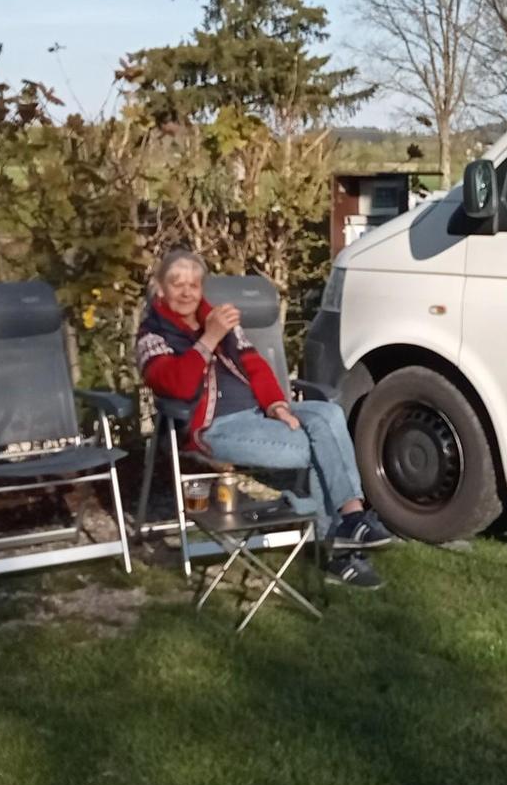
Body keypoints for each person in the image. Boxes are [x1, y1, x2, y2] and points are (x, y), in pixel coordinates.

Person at [137, 249, 394, 588]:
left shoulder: (219, 320)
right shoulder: (152, 337)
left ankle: (351, 518)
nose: (186, 292)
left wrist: (277, 405)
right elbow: (178, 387)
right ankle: (341, 550)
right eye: (176, 283)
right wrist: (209, 338)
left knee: (329, 413)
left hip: (261, 411)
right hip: (216, 428)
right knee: (324, 446)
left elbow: (256, 365)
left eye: (193, 284)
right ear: (160, 288)